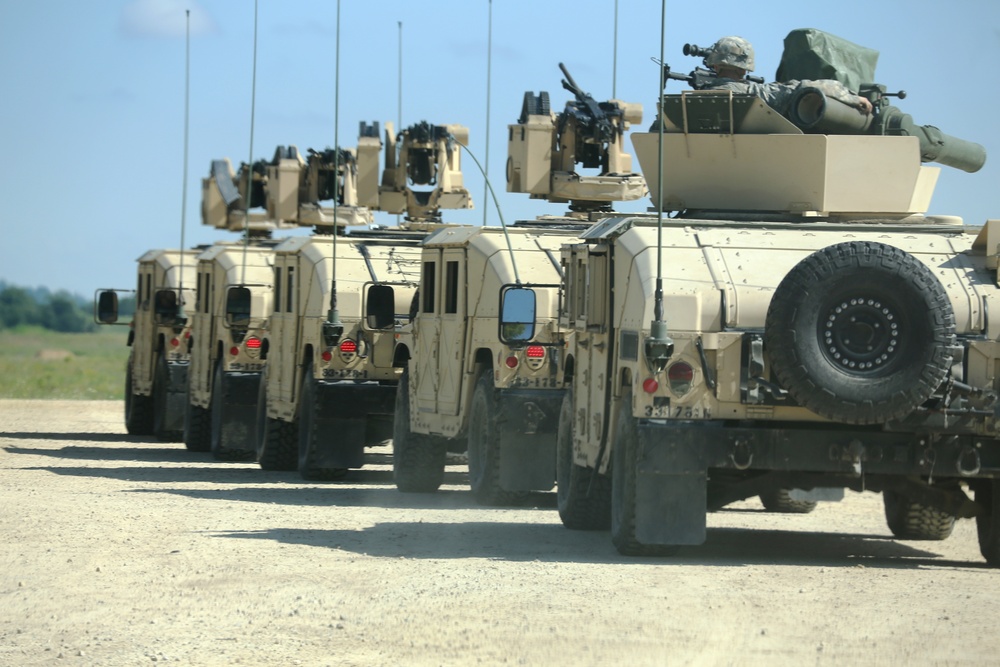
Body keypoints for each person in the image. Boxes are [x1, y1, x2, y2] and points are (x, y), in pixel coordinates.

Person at [704, 36, 872, 117]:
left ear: (715, 65)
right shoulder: (759, 94)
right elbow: (808, 87)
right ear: (744, 69)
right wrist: (854, 98)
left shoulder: (693, 99)